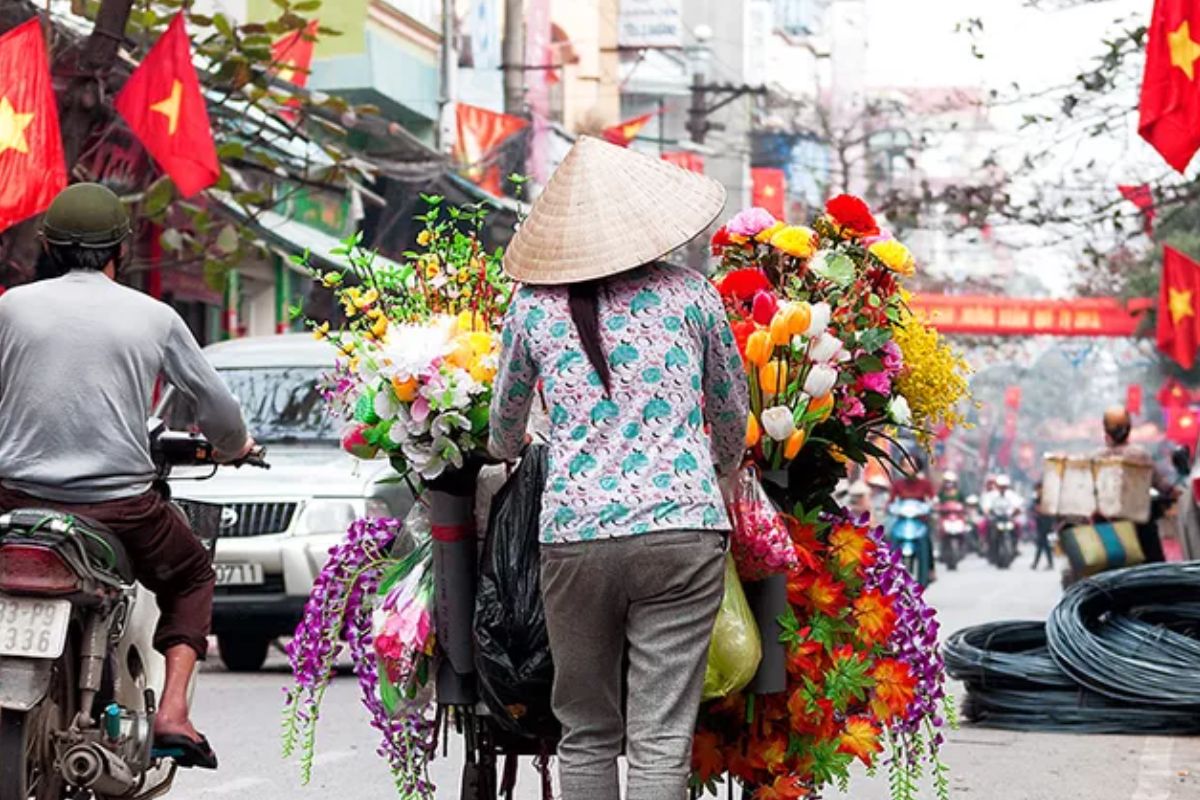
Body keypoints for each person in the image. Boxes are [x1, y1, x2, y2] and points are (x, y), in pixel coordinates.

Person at [489, 137, 747, 800]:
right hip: (684, 531)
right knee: (661, 732)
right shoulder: (693, 295)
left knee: (588, 728)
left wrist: (510, 448)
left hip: (574, 536)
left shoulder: (531, 307)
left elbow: (504, 430)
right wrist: (719, 472)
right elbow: (729, 410)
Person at [0, 184, 255, 770]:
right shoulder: (154, 316)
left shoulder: (12, 306)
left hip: (12, 501)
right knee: (191, 575)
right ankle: (172, 713)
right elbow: (219, 413)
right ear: (123, 247)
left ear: (48, 246)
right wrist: (236, 447)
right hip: (119, 510)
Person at [1095, 405, 1175, 563]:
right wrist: (1176, 492)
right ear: (1129, 429)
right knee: (1156, 567)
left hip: (1106, 529)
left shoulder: (1096, 457)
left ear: (1106, 431)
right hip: (1140, 527)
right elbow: (1161, 485)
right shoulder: (1140, 455)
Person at [1031, 482, 1055, 570]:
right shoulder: (1038, 498)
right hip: (1041, 522)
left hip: (1046, 522)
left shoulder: (1046, 498)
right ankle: (1039, 563)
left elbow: (1042, 510)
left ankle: (1036, 563)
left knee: (1043, 544)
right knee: (1043, 544)